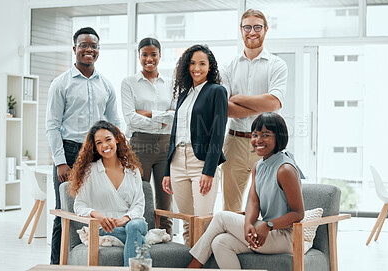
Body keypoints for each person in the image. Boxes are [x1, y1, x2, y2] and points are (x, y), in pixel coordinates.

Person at [188, 112, 304, 269]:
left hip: (286, 236)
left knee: (221, 217)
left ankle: (193, 266)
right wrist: (249, 223)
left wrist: (268, 225)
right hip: (267, 232)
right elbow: (254, 201)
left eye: (265, 135)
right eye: (255, 135)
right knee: (220, 242)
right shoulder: (259, 165)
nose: (258, 140)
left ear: (279, 137)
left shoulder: (285, 169)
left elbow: (298, 213)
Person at [46, 27, 122, 264]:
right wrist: (60, 161)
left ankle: (89, 262)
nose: (89, 49)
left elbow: (115, 122)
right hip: (69, 153)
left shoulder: (106, 85)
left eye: (94, 46)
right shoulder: (61, 84)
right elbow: (52, 125)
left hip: (98, 154)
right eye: (84, 45)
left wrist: (117, 152)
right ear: (75, 48)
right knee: (65, 213)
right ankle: (57, 265)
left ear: (98, 50)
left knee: (96, 209)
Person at [221, 9, 288, 212]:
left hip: (267, 143)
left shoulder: (277, 65)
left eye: (257, 27)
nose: (252, 32)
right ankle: (233, 244)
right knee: (230, 207)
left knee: (268, 205)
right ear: (241, 30)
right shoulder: (228, 66)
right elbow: (225, 109)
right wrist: (260, 104)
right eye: (247, 27)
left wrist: (239, 99)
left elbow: (274, 103)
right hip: (235, 143)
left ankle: (261, 243)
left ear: (265, 30)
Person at [162, 44, 228, 247]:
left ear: (210, 67)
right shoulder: (184, 94)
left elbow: (218, 133)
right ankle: (189, 263)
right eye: (192, 63)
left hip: (201, 162)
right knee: (187, 221)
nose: (196, 68)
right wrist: (167, 170)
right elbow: (174, 133)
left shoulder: (217, 91)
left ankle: (204, 265)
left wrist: (209, 170)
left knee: (203, 221)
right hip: (177, 161)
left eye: (202, 63)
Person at [70, 120, 147, 267]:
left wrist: (125, 218)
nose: (104, 145)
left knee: (134, 227)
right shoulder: (89, 172)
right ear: (94, 147)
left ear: (116, 139)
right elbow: (79, 205)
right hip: (106, 228)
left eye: (108, 139)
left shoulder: (132, 170)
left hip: (133, 221)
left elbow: (139, 203)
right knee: (137, 237)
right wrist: (97, 215)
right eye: (99, 143)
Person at [121, 37, 175, 236]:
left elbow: (175, 116)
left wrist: (148, 113)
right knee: (139, 194)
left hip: (165, 144)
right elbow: (130, 118)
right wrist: (161, 119)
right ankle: (140, 237)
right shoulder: (129, 83)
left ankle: (165, 239)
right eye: (145, 55)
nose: (149, 59)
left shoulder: (171, 83)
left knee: (165, 197)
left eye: (154, 54)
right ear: (139, 56)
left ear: (160, 56)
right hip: (139, 144)